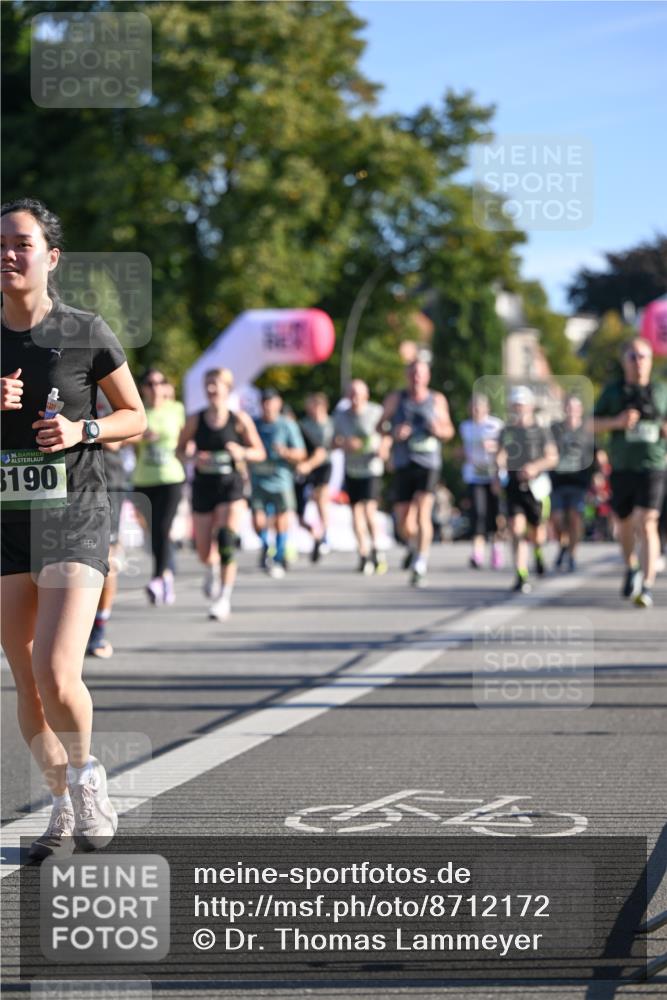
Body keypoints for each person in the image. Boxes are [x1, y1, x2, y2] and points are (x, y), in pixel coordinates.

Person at [1, 198, 146, 859]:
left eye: (21, 243)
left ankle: (88, 781)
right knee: (25, 682)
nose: (7, 253)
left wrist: (83, 428)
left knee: (56, 670)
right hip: (8, 520)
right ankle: (59, 806)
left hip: (75, 513)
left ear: (50, 257)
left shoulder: (85, 329)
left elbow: (135, 416)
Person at [176, 367, 265, 620]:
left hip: (231, 486)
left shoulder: (239, 420)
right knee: (204, 550)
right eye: (208, 385)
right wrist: (193, 457)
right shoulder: (196, 419)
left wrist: (242, 452)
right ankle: (211, 568)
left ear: (228, 389)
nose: (211, 390)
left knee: (226, 540)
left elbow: (260, 452)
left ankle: (224, 598)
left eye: (216, 385)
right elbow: (179, 451)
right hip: (204, 486)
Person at [593, 337, 667, 607]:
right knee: (624, 524)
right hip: (622, 468)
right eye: (632, 357)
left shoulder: (661, 391)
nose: (638, 362)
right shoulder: (612, 392)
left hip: (654, 466)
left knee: (647, 521)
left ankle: (646, 587)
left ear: (651, 360)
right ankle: (631, 565)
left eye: (643, 356)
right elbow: (590, 425)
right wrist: (617, 421)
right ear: (624, 362)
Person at [379, 359, 454, 586]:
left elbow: (449, 431)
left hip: (428, 463)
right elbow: (379, 426)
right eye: (413, 373)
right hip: (403, 463)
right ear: (407, 376)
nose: (416, 378)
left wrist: (437, 429)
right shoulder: (396, 399)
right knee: (403, 520)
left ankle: (420, 563)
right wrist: (393, 432)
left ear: (427, 376)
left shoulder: (437, 400)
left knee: (423, 513)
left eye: (420, 374)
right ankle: (414, 545)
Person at [132, 368, 186, 606]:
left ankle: (157, 578)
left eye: (159, 382)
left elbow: (189, 436)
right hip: (144, 479)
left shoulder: (177, 410)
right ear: (144, 388)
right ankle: (167, 576)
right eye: (150, 383)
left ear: (166, 387)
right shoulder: (138, 412)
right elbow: (121, 438)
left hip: (171, 477)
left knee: (163, 528)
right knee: (153, 531)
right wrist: (141, 437)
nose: (155, 388)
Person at [497, 386, 558, 593]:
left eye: (522, 404)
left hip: (536, 488)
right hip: (514, 485)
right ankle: (521, 574)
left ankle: (539, 553)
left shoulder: (541, 431)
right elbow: (500, 454)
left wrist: (534, 467)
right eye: (515, 405)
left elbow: (552, 457)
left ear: (530, 406)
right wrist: (498, 468)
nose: (519, 409)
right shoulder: (507, 431)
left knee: (537, 534)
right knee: (516, 529)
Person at [333, 379, 388, 575]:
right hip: (352, 468)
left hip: (371, 468)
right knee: (355, 512)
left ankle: (377, 548)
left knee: (370, 511)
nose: (355, 398)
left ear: (366, 395)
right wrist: (345, 444)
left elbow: (386, 434)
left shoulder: (376, 412)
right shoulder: (340, 415)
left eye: (358, 394)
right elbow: (333, 440)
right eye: (352, 394)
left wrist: (383, 448)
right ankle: (363, 553)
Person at [86, 389, 126, 657]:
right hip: (67, 480)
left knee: (106, 560)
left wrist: (82, 426)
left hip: (106, 481)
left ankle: (99, 628)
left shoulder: (107, 381)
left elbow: (117, 440)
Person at [251, 388, 306, 578]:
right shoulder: (254, 424)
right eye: (264, 402)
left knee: (282, 518)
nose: (267, 406)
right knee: (258, 521)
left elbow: (301, 453)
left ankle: (279, 554)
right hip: (258, 479)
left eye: (271, 402)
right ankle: (267, 547)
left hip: (280, 479)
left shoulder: (287, 425)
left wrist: (286, 452)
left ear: (278, 404)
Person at [459, 393, 505, 570]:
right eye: (472, 407)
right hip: (474, 475)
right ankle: (477, 552)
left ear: (486, 408)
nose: (475, 411)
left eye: (478, 407)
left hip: (494, 475)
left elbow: (505, 448)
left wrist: (492, 446)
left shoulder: (495, 425)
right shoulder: (466, 426)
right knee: (477, 512)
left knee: (495, 514)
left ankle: (496, 548)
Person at [550, 395, 593, 573]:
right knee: (558, 519)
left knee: (575, 518)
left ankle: (572, 555)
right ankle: (563, 545)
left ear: (580, 410)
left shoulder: (587, 431)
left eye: (575, 407)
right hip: (558, 481)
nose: (571, 411)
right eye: (568, 406)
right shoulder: (555, 429)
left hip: (579, 482)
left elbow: (596, 453)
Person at [296, 392, 334, 563]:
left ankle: (324, 532)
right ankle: (316, 533)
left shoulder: (331, 424)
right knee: (299, 510)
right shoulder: (304, 424)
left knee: (321, 498)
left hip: (324, 465)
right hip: (307, 467)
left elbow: (326, 449)